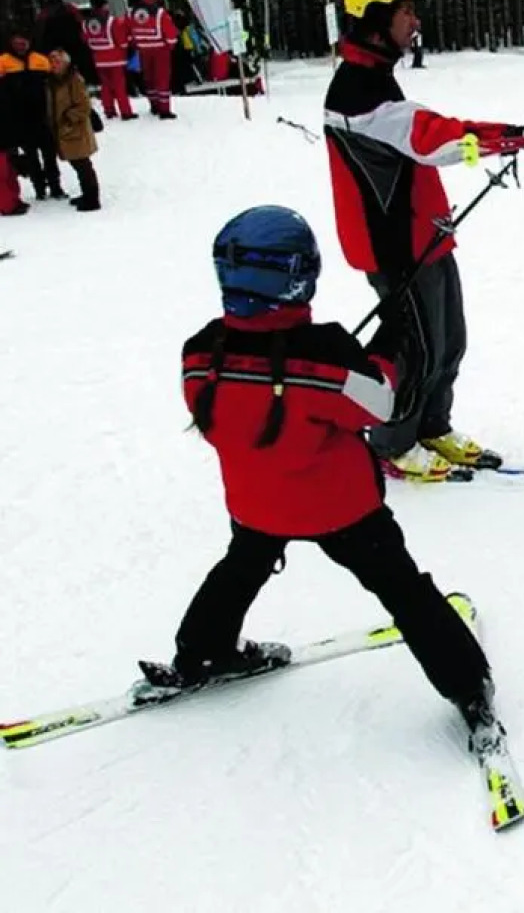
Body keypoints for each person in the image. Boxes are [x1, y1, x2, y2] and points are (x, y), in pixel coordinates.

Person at [154, 205, 502, 748]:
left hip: (256, 505)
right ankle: (466, 683)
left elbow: (238, 412)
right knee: (403, 588)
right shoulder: (328, 355)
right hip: (342, 510)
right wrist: (387, 344)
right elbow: (379, 403)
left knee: (240, 569)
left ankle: (202, 651)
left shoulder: (200, 350)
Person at [323, 0, 524, 481]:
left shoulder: (376, 79)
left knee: (449, 340)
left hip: (425, 236)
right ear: (374, 17)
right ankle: (392, 443)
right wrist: (518, 135)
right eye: (406, 11)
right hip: (393, 247)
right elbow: (434, 137)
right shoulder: (356, 93)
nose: (415, 22)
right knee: (416, 348)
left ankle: (432, 425)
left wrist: (518, 135)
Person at [0, 32, 58, 201]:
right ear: (11, 44)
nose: (20, 46)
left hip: (42, 118)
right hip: (20, 120)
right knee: (31, 158)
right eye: (17, 43)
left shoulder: (41, 60)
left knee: (50, 156)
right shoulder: (3, 62)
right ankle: (39, 188)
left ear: (29, 42)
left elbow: (53, 85)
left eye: (23, 43)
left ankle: (55, 186)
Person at [43, 50, 101, 212]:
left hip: (75, 130)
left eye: (57, 61)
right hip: (62, 131)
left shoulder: (74, 79)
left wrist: (68, 119)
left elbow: (84, 106)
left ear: (66, 63)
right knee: (77, 164)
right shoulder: (51, 81)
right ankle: (87, 194)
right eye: (51, 61)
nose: (53, 65)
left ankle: (92, 199)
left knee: (83, 164)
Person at [128, 0, 178, 118]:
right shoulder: (160, 12)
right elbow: (170, 32)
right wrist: (171, 45)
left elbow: (129, 32)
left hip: (143, 50)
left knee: (149, 79)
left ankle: (154, 105)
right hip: (160, 50)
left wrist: (137, 45)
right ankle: (164, 110)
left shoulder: (132, 12)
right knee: (162, 79)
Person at [83, 0, 135, 119]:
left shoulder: (86, 22)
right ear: (103, 6)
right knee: (119, 86)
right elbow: (121, 40)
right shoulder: (112, 21)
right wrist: (127, 46)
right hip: (115, 59)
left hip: (98, 58)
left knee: (105, 86)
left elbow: (85, 39)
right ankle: (125, 112)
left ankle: (109, 110)